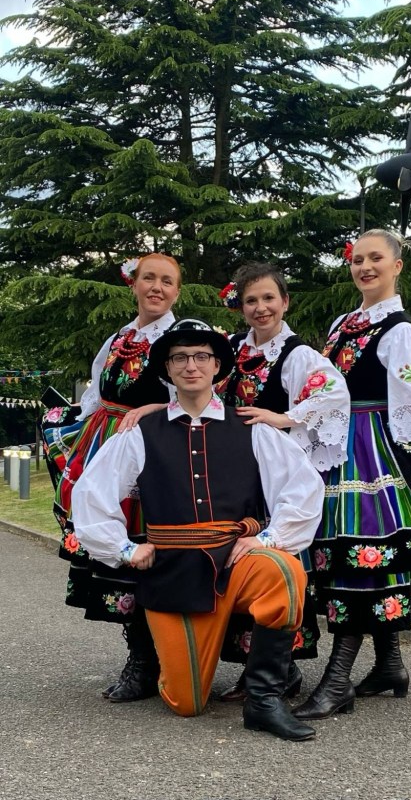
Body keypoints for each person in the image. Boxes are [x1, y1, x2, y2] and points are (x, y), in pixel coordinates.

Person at [72, 319, 324, 742]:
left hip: (236, 563)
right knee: (186, 703)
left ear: (216, 366)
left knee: (283, 570)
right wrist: (124, 549)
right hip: (172, 573)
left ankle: (264, 700)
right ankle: (169, 662)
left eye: (202, 356)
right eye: (180, 358)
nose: (192, 366)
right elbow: (92, 493)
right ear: (167, 369)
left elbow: (302, 488)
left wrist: (266, 538)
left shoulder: (250, 427)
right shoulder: (141, 432)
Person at [294, 229, 411, 720]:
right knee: (355, 554)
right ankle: (389, 664)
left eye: (375, 258)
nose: (365, 267)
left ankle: (337, 680)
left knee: (364, 555)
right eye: (357, 260)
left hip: (376, 454)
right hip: (338, 448)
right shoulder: (342, 324)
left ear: (397, 266)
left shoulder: (401, 333)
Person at [41, 253, 181, 702]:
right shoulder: (120, 337)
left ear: (177, 291)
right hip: (107, 445)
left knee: (150, 548)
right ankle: (140, 657)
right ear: (133, 284)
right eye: (149, 278)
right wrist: (74, 431)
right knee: (118, 550)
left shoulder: (178, 338)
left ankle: (160, 659)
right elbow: (96, 395)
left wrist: (153, 407)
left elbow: (195, 394)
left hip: (152, 450)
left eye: (167, 281)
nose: (157, 287)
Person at [215, 261, 350, 700]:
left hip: (273, 475)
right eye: (251, 300)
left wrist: (284, 417)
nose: (261, 308)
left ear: (285, 301)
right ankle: (253, 666)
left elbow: (333, 392)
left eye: (269, 298)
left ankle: (280, 667)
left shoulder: (298, 355)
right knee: (239, 560)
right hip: (235, 473)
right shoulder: (230, 349)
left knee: (277, 563)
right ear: (241, 307)